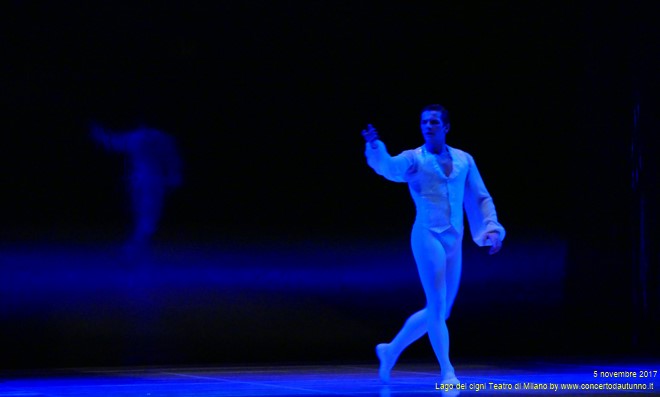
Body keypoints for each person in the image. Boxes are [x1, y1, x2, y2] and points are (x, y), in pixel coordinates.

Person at [362, 104, 505, 385]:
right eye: (424, 122)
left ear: (446, 127)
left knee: (440, 310)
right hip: (427, 235)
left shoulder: (464, 160)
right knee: (438, 305)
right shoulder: (414, 159)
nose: (428, 126)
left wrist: (491, 228)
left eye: (434, 122)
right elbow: (389, 167)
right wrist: (376, 147)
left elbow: (480, 197)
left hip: (455, 237)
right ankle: (447, 371)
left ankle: (390, 350)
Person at [92, 123, 182, 256]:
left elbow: (113, 143)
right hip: (150, 180)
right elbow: (173, 159)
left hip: (140, 179)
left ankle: (136, 247)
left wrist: (100, 135)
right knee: (147, 215)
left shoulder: (139, 137)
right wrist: (174, 176)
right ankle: (135, 247)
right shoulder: (160, 138)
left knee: (144, 214)